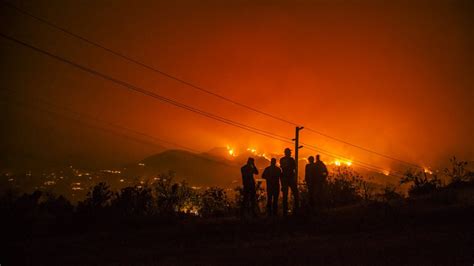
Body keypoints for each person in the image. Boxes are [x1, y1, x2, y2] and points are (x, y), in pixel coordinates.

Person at [280, 148, 299, 215]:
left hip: (285, 179)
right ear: (287, 153)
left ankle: (285, 211)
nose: (290, 153)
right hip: (290, 178)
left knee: (285, 195)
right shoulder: (291, 160)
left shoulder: (282, 159)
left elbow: (282, 167)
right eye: (289, 152)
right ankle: (296, 209)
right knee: (295, 194)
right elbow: (294, 167)